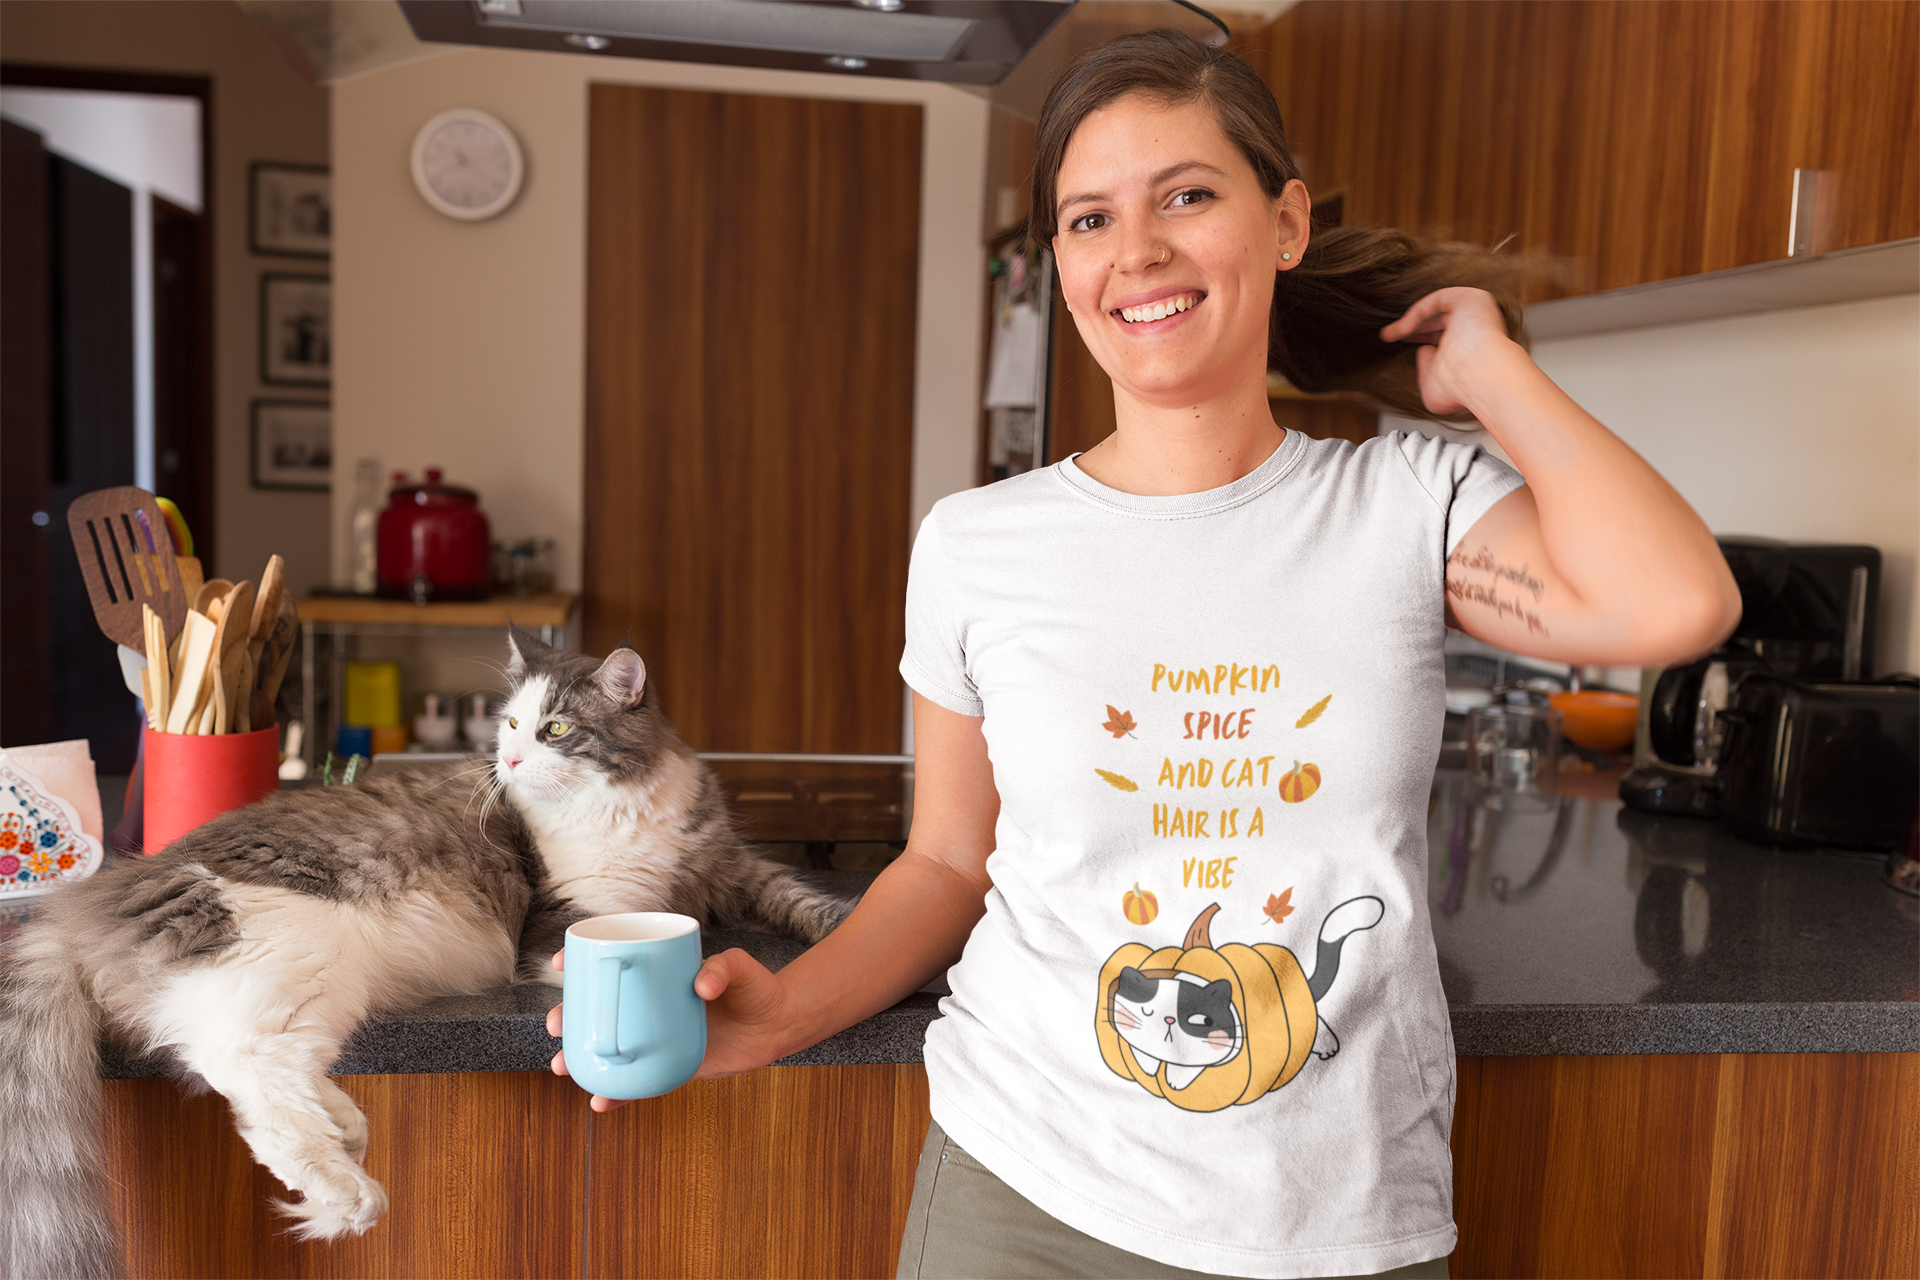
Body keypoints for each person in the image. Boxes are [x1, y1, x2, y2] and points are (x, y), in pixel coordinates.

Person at [547, 29, 1738, 1280]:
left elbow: (1677, 600)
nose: (1139, 253)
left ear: (1284, 222)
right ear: (1059, 260)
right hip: (1024, 1191)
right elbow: (949, 860)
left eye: (1186, 195)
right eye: (1089, 219)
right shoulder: (976, 542)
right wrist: (787, 1007)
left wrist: (1492, 372)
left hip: (1341, 1210)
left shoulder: (1406, 503)